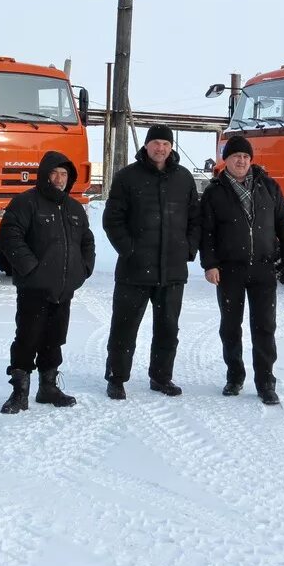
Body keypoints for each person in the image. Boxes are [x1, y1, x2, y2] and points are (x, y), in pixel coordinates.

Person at [199, 134, 284, 406]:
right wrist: (210, 264)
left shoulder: (268, 187)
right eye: (235, 157)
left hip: (263, 269)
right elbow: (206, 233)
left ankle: (266, 382)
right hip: (229, 271)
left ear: (251, 160)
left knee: (264, 326)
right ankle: (235, 375)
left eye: (245, 157)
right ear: (226, 161)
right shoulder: (215, 192)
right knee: (230, 327)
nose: (241, 161)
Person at [103, 124, 200, 399]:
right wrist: (129, 250)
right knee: (124, 326)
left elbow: (195, 219)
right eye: (156, 142)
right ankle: (117, 377)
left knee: (168, 328)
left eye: (166, 144)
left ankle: (161, 377)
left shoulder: (183, 178)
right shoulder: (127, 177)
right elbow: (113, 219)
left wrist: (188, 249)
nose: (161, 148)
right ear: (146, 146)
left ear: (172, 147)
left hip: (172, 270)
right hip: (134, 270)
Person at [0, 151, 95, 413]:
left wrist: (83, 269)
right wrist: (30, 268)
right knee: (27, 338)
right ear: (44, 175)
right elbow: (9, 235)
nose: (59, 179)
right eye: (55, 173)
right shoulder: (26, 203)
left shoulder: (73, 207)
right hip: (34, 288)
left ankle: (48, 387)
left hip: (64, 288)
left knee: (54, 338)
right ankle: (19, 391)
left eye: (64, 174)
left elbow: (87, 240)